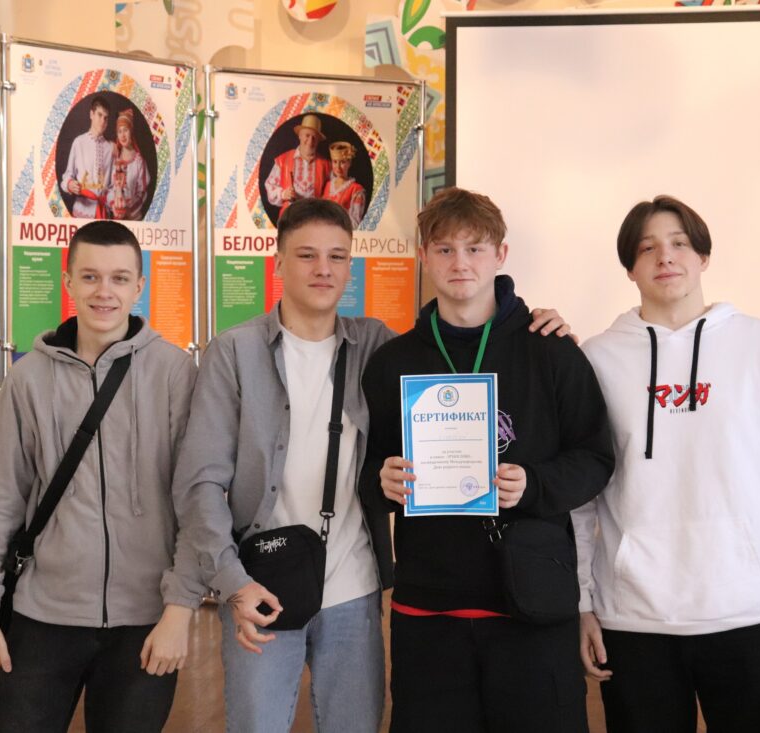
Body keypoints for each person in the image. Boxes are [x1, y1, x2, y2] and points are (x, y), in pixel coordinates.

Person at [174, 197, 570, 733]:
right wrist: (232, 582)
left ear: (350, 266)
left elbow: (443, 361)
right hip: (261, 585)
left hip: (354, 590)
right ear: (279, 261)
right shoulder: (235, 352)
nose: (323, 269)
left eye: (337, 257)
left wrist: (531, 321)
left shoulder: (377, 347)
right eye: (307, 255)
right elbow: (200, 483)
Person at [572, 195, 760, 733]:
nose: (665, 257)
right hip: (633, 619)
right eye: (647, 248)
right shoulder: (597, 360)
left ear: (703, 257)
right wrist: (581, 602)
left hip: (753, 613)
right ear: (629, 268)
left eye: (679, 244)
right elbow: (581, 498)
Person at [363, 187, 615, 733]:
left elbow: (596, 458)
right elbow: (368, 470)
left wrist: (534, 485)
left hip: (530, 602)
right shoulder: (392, 362)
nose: (460, 263)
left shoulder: (551, 350)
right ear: (423, 255)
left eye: (475, 248)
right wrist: (382, 480)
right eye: (445, 249)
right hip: (429, 609)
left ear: (500, 255)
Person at [0, 220, 200, 732]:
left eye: (119, 278)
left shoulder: (174, 372)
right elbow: (1, 496)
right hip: (44, 616)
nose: (104, 292)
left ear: (139, 286)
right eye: (90, 277)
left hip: (145, 618)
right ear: (68, 281)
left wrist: (180, 609)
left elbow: (197, 504)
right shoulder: (28, 378)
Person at [264, 113, 330, 219]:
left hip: (314, 218)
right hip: (290, 217)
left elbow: (331, 193)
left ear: (318, 140)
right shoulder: (283, 160)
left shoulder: (326, 165)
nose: (310, 141)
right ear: (300, 135)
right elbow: (270, 185)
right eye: (307, 135)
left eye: (314, 137)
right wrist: (283, 194)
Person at [61, 96, 113, 218]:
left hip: (103, 212)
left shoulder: (110, 148)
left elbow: (113, 185)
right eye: (99, 115)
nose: (103, 121)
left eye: (106, 118)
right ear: (91, 114)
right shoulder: (78, 142)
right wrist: (69, 184)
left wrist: (111, 201)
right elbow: (67, 175)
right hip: (82, 210)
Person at [109, 108, 150, 221]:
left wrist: (128, 209)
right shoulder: (114, 160)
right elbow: (109, 188)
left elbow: (142, 193)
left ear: (131, 132)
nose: (122, 135)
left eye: (125, 130)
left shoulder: (139, 162)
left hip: (133, 219)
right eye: (119, 131)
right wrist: (114, 205)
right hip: (115, 218)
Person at [322, 141, 366, 229]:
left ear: (349, 163)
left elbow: (355, 224)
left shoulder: (356, 190)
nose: (338, 167)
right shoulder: (328, 185)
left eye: (342, 162)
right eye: (335, 162)